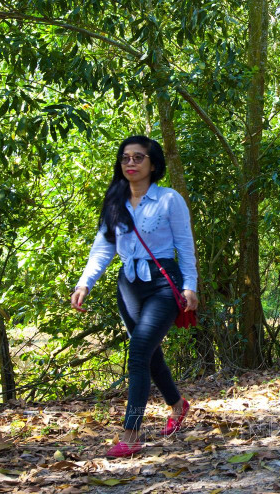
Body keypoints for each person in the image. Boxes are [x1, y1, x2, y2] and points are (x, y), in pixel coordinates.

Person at [72, 136, 198, 458]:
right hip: (128, 284)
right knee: (148, 353)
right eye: (125, 157)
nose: (130, 163)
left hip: (163, 283)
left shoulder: (169, 199)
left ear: (153, 164)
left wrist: (190, 286)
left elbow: (185, 246)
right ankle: (178, 405)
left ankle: (131, 434)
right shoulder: (115, 201)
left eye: (138, 157)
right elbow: (103, 248)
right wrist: (85, 283)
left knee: (139, 351)